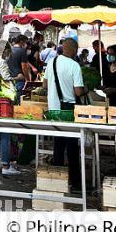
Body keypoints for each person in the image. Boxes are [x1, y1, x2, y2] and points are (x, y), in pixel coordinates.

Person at [44, 38, 87, 190]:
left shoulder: (52, 62)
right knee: (72, 147)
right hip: (68, 108)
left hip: (53, 109)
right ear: (74, 50)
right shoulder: (74, 65)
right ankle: (75, 183)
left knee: (58, 144)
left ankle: (57, 180)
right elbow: (78, 91)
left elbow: (45, 84)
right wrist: (85, 89)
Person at [0, 42, 20, 175]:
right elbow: (6, 78)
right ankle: (5, 165)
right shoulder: (1, 62)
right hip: (3, 99)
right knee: (5, 132)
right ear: (5, 51)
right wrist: (17, 77)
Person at [8, 35, 30, 101]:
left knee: (11, 100)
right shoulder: (22, 51)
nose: (25, 44)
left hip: (10, 78)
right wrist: (28, 79)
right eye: (25, 42)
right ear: (21, 42)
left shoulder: (9, 50)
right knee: (18, 101)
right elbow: (24, 67)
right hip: (19, 79)